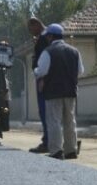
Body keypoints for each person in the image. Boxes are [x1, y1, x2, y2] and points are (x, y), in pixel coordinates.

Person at [34, 23, 82, 160]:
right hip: (71, 92)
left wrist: (35, 71)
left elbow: (41, 71)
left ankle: (56, 150)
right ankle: (71, 150)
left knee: (54, 121)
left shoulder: (47, 52)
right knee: (70, 121)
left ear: (50, 37)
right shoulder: (74, 51)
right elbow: (80, 71)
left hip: (53, 92)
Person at [26, 17, 51, 154]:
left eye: (31, 29)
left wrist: (42, 78)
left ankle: (47, 142)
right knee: (47, 112)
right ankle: (50, 141)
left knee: (45, 111)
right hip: (44, 79)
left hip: (43, 80)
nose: (30, 32)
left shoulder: (44, 38)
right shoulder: (44, 37)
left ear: (36, 25)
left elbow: (44, 59)